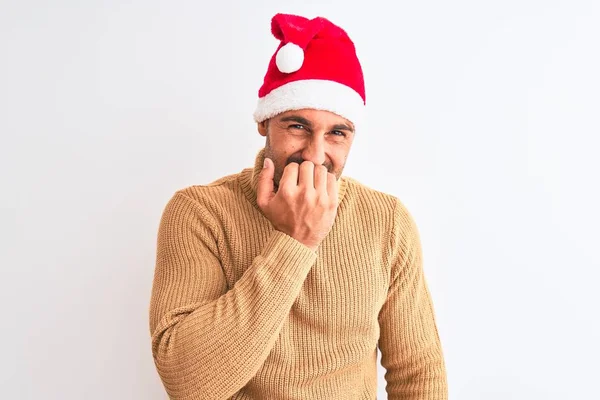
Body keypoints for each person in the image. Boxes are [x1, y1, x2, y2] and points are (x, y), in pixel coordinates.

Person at [148, 12, 448, 400]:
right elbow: (189, 385)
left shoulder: (386, 220)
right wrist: (296, 240)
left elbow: (418, 375)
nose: (315, 154)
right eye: (298, 126)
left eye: (337, 133)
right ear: (264, 123)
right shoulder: (200, 212)